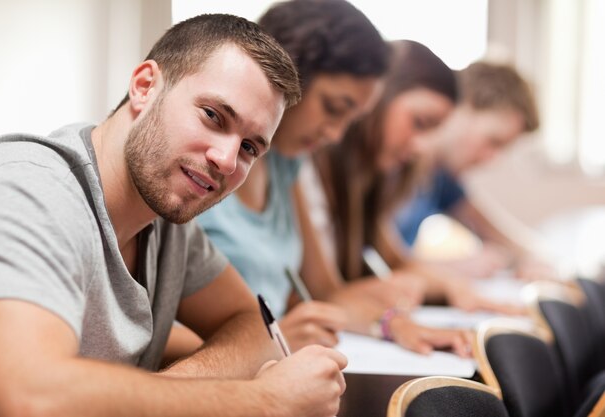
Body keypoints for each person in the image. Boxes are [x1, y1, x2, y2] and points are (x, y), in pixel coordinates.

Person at [0, 14, 348, 417]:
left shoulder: (165, 218)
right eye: (212, 116)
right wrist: (266, 401)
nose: (225, 160)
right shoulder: (30, 188)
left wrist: (160, 393)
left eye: (248, 148)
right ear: (144, 87)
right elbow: (28, 399)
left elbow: (253, 326)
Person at [197, 8, 471, 357]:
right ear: (288, 74)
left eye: (350, 119)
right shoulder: (206, 169)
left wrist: (390, 324)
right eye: (332, 107)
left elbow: (324, 292)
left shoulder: (285, 163)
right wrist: (271, 343)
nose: (336, 134)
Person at [305, 40, 526, 319]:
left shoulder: (368, 183)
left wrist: (452, 287)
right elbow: (328, 293)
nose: (422, 147)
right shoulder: (308, 166)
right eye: (421, 122)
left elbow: (397, 261)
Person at [394, 61, 552, 280]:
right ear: (462, 106)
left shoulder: (441, 180)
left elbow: (500, 236)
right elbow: (370, 264)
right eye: (493, 141)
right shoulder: (393, 161)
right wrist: (450, 268)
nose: (492, 159)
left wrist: (532, 260)